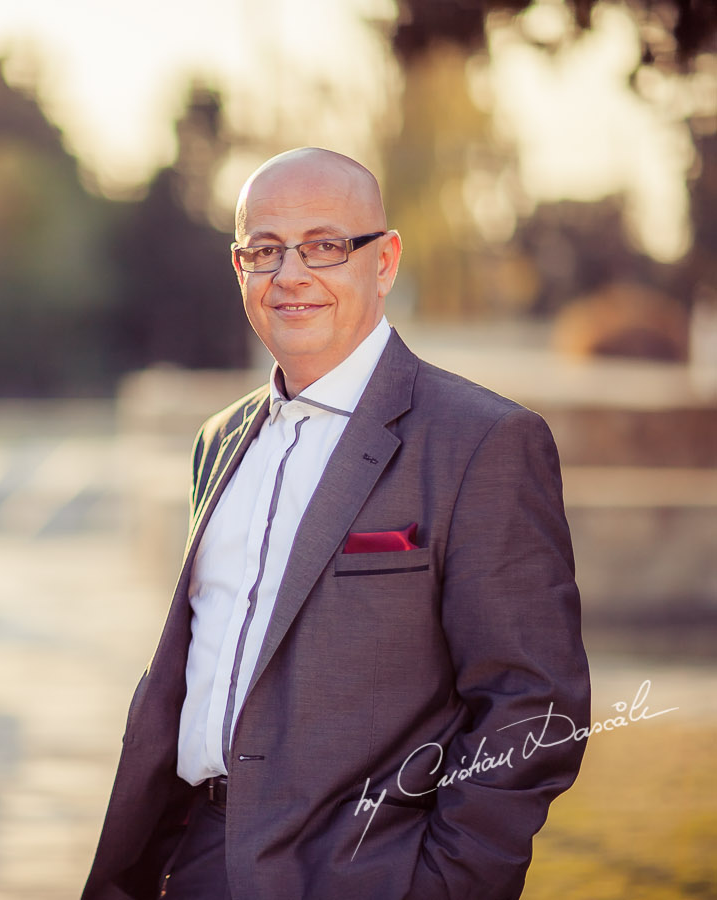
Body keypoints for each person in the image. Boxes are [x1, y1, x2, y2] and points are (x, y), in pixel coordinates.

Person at [82, 148, 591, 900]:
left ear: (382, 262)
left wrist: (444, 885)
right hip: (190, 863)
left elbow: (533, 706)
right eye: (265, 250)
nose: (291, 274)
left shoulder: (480, 442)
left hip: (364, 872)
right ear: (239, 269)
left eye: (323, 245)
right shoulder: (220, 440)